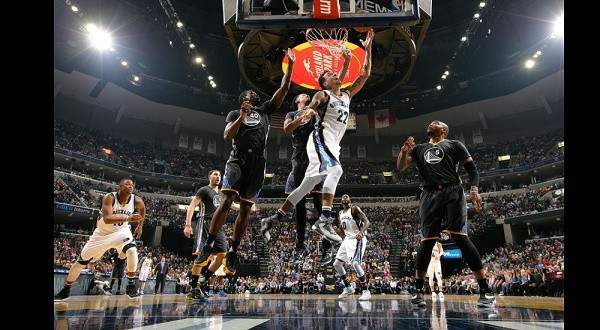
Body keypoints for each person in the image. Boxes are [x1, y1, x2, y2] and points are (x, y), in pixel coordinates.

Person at [259, 29, 374, 252]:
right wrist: (304, 115)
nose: (334, 74)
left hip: (332, 144)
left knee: (307, 186)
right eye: (330, 74)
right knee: (336, 171)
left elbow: (366, 74)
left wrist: (367, 50)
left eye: (334, 73)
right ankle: (323, 221)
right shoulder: (322, 95)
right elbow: (311, 108)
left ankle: (273, 219)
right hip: (320, 140)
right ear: (325, 83)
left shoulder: (347, 94)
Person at [194, 48, 296, 276]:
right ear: (243, 100)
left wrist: (291, 67)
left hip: (258, 162)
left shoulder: (265, 110)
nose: (253, 96)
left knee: (247, 208)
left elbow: (283, 89)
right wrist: (241, 115)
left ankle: (233, 250)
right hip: (238, 158)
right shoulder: (234, 113)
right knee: (227, 199)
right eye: (249, 94)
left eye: (254, 95)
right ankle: (209, 244)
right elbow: (227, 136)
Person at [396, 120, 495, 307]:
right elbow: (401, 167)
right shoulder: (419, 148)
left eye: (436, 123)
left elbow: (472, 170)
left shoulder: (455, 145)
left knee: (460, 238)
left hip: (452, 192)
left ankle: (485, 289)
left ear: (443, 130)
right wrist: (403, 151)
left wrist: (474, 189)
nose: (431, 123)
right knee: (427, 240)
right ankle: (418, 291)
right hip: (428, 193)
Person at [259, 92, 335, 265]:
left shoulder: (317, 110)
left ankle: (326, 245)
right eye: (301, 95)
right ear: (297, 101)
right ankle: (300, 245)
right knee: (298, 203)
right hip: (300, 155)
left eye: (308, 96)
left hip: (316, 155)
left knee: (320, 203)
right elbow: (287, 128)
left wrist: (316, 115)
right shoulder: (291, 114)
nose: (305, 95)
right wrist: (303, 117)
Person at [54, 178, 145, 301]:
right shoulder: (110, 197)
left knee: (132, 251)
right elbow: (107, 218)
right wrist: (128, 217)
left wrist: (139, 226)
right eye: (127, 184)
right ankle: (66, 289)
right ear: (120, 186)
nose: (130, 186)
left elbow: (143, 209)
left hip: (121, 231)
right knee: (79, 264)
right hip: (101, 234)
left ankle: (130, 285)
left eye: (132, 185)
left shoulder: (136, 200)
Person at [183, 169, 251, 300]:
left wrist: (247, 207)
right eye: (215, 174)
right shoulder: (203, 190)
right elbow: (192, 206)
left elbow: (233, 205)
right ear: (209, 177)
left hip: (218, 226)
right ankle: (193, 288)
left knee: (223, 254)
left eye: (220, 175)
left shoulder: (222, 193)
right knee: (200, 255)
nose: (218, 177)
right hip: (204, 223)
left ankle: (204, 278)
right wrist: (188, 224)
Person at [332, 194, 372, 301]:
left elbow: (367, 222)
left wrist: (362, 232)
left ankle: (366, 291)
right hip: (347, 240)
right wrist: (332, 227)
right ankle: (348, 287)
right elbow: (341, 232)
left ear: (349, 200)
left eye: (347, 196)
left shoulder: (354, 209)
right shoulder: (340, 213)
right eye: (343, 196)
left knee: (355, 264)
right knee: (336, 264)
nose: (345, 197)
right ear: (341, 201)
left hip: (357, 239)